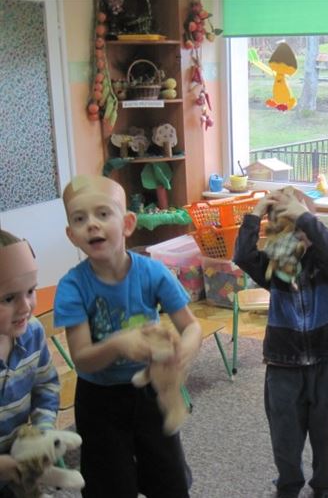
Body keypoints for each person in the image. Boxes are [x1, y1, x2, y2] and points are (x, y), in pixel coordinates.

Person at [53, 175, 202, 498]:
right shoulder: (72, 287)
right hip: (99, 400)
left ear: (128, 223)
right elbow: (82, 358)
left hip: (150, 392)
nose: (92, 224)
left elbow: (191, 327)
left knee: (169, 480)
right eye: (80, 218)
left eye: (103, 213)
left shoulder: (153, 272)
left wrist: (181, 355)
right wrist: (119, 343)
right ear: (71, 235)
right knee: (109, 486)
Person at [233, 187, 328, 498]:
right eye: (286, 225)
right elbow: (243, 255)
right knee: (285, 437)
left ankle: (325, 484)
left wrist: (303, 216)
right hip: (283, 366)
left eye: (303, 224)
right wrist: (256, 213)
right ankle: (288, 484)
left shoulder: (326, 263)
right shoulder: (275, 270)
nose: (297, 233)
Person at [0, 230, 59, 497]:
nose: (25, 307)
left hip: (19, 469)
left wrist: (43, 431)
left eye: (31, 291)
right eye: (8, 298)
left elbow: (45, 385)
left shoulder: (32, 333)